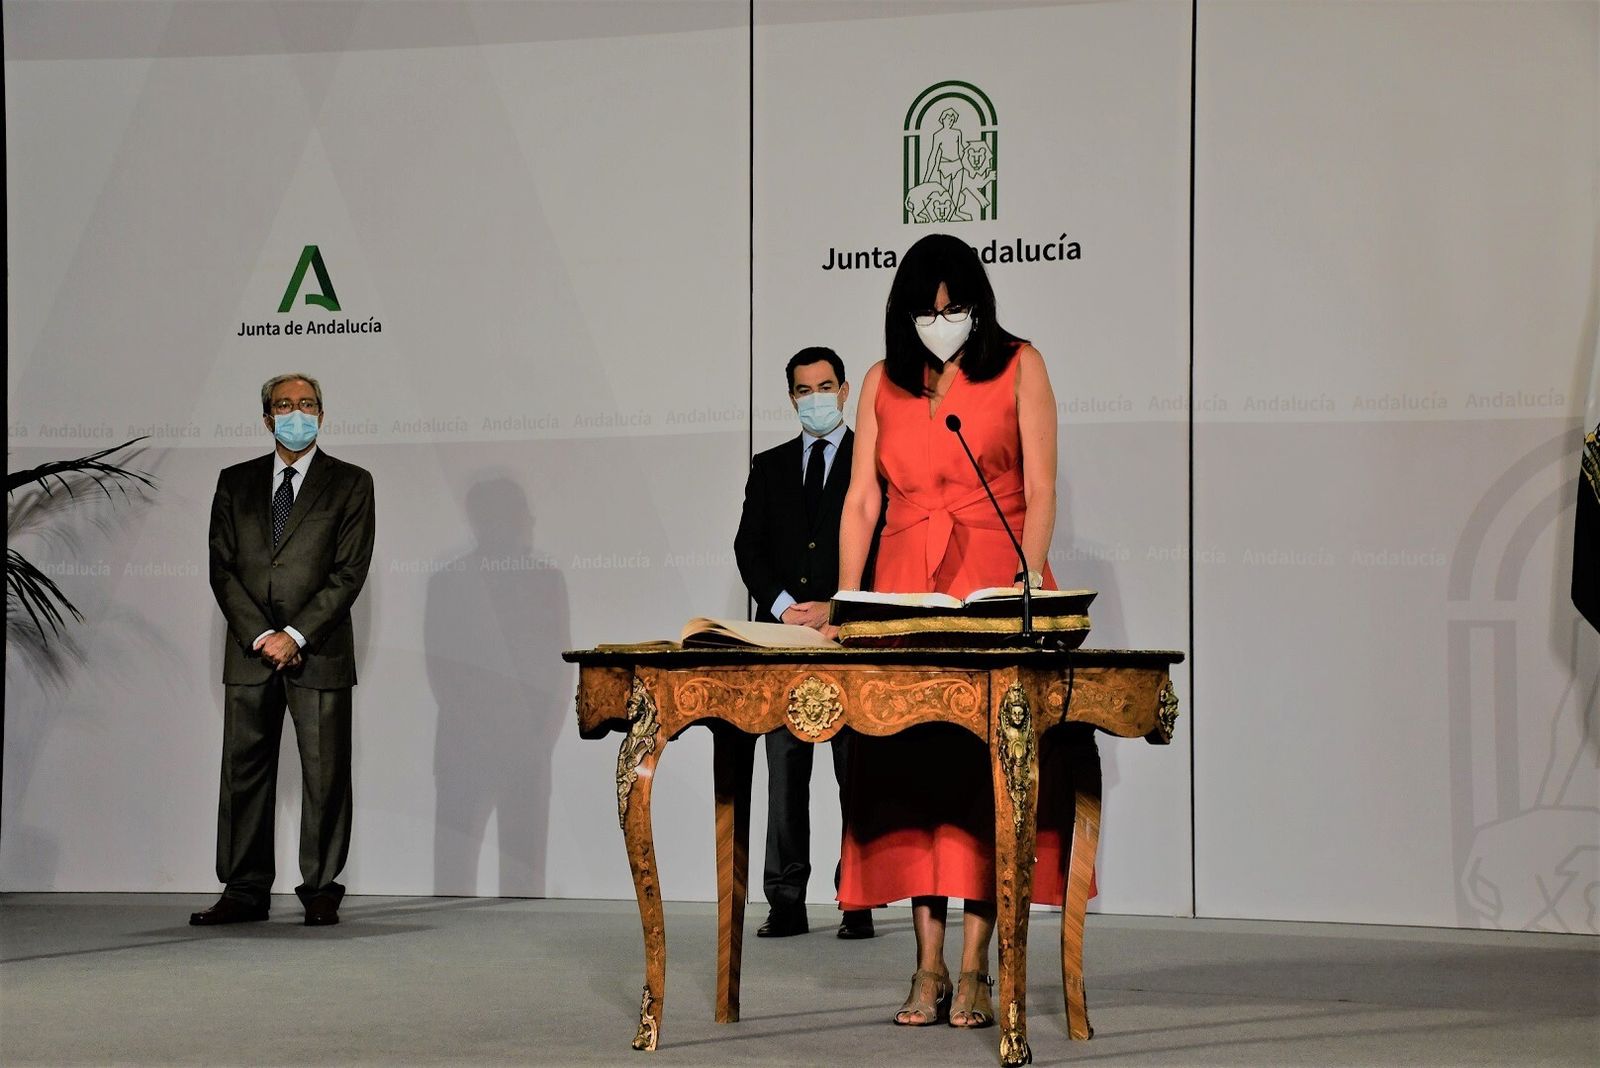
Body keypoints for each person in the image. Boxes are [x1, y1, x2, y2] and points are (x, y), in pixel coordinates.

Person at [836, 233, 1067, 1028]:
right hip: (901, 588)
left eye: (955, 308)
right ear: (902, 313)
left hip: (990, 582)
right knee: (908, 777)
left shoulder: (1020, 365)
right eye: (927, 311)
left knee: (982, 777)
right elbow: (863, 500)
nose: (941, 322)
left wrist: (1027, 580)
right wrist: (847, 599)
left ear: (979, 305)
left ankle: (976, 967)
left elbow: (1040, 485)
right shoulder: (879, 382)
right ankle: (925, 964)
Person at [191, 373, 376, 928]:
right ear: (267, 418)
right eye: (284, 405)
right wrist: (260, 636)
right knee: (243, 772)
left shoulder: (351, 482)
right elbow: (221, 569)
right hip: (249, 653)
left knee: (325, 773)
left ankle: (320, 888)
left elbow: (349, 572)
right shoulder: (234, 481)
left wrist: (294, 635)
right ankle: (244, 889)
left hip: (317, 652)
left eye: (308, 404)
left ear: (323, 413)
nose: (297, 413)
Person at [734, 347, 875, 941]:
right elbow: (749, 550)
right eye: (802, 390)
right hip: (783, 644)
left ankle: (858, 898)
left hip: (849, 641)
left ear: (844, 391)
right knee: (784, 776)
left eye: (825, 387)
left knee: (857, 776)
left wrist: (838, 608)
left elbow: (885, 548)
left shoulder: (873, 466)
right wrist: (783, 609)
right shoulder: (767, 468)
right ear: (791, 397)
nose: (815, 398)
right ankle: (786, 899)